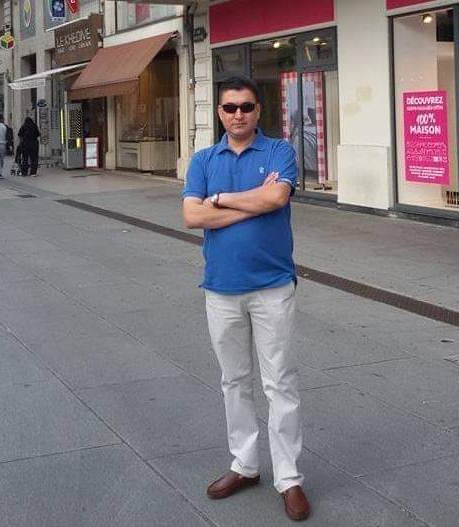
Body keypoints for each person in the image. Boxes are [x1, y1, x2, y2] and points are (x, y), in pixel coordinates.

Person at [182, 76, 310, 522]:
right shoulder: (203, 159)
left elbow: (277, 197)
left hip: (273, 286)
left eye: (247, 106)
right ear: (219, 112)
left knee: (280, 383)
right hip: (221, 289)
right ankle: (245, 465)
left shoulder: (279, 151)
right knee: (234, 380)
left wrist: (219, 201)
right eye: (230, 107)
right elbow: (191, 215)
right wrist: (251, 203)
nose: (238, 114)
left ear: (259, 110)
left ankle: (289, 478)